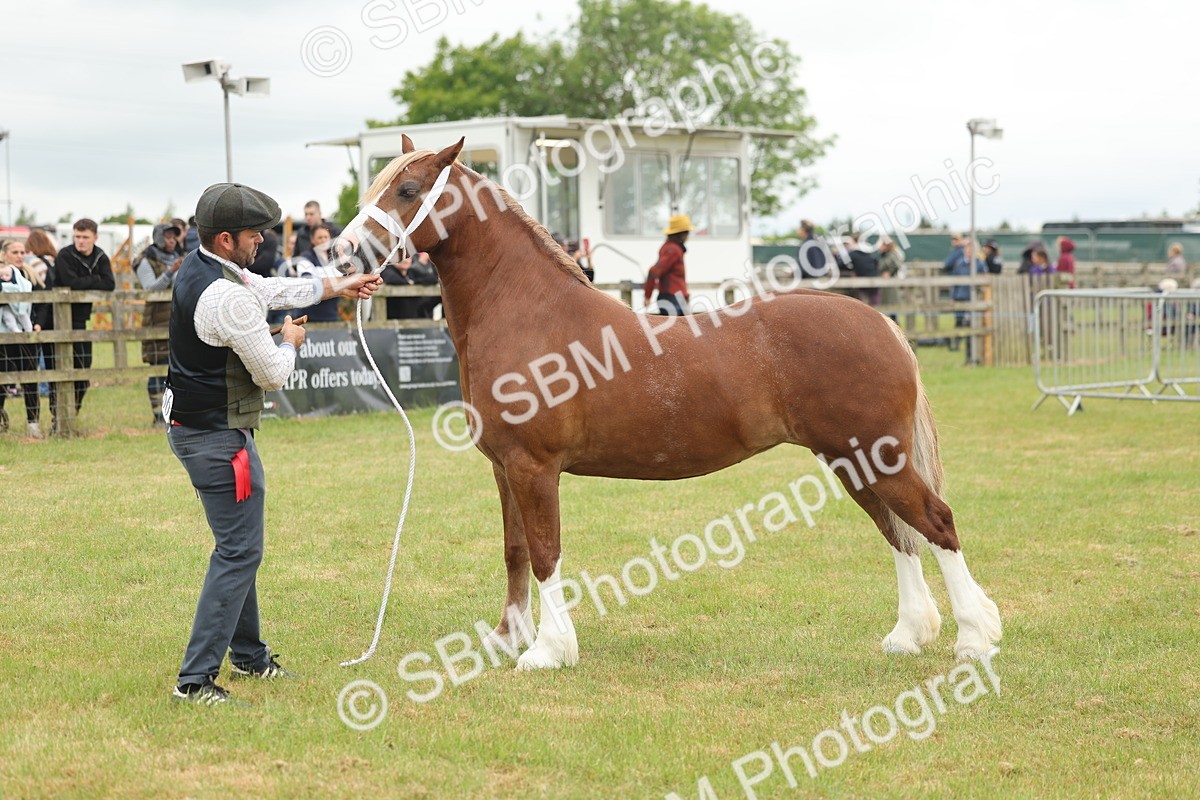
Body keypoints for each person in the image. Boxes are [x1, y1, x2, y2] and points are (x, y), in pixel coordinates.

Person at [165, 182, 381, 705]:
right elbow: (272, 375)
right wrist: (290, 342)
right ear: (224, 239)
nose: (262, 238)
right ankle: (194, 682)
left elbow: (268, 289)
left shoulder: (207, 269)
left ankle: (249, 657)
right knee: (239, 552)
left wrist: (335, 285)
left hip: (200, 429)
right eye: (252, 233)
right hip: (219, 440)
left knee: (237, 548)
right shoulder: (228, 297)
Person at [54, 218, 114, 418]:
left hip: (81, 320)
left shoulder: (100, 257)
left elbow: (109, 284)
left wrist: (88, 282)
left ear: (95, 237)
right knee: (60, 369)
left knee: (83, 367)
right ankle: (59, 416)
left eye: (85, 237)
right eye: (77, 236)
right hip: (57, 319)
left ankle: (74, 411)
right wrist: (95, 280)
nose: (80, 241)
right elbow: (70, 282)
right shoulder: (65, 255)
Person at [136, 222, 184, 428]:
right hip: (156, 321)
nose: (172, 240)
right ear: (158, 238)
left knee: (175, 370)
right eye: (168, 237)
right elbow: (150, 289)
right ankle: (157, 416)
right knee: (157, 367)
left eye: (174, 237)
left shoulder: (178, 258)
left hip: (177, 321)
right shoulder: (146, 261)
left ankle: (172, 413)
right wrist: (169, 273)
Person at [0, 239, 43, 436]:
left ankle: (33, 422)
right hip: (5, 334)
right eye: (15, 252)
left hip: (27, 333)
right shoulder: (2, 274)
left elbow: (44, 300)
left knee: (30, 378)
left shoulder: (30, 276)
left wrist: (38, 323)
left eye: (22, 252)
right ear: (4, 254)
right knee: (2, 377)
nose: (19, 256)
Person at [645, 214, 694, 315]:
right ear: (682, 234)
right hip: (673, 298)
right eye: (687, 232)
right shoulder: (673, 250)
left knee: (683, 329)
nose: (688, 235)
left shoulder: (669, 247)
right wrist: (647, 296)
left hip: (675, 298)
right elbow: (653, 271)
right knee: (681, 329)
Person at [292, 224, 341, 322]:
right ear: (312, 240)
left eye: (326, 237)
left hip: (331, 315)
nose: (323, 240)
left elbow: (343, 279)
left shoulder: (336, 259)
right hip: (306, 317)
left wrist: (319, 274)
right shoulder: (304, 257)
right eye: (319, 237)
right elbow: (308, 281)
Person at [381, 252, 440, 319]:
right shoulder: (388, 270)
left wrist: (415, 282)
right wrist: (408, 283)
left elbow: (433, 279)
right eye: (401, 258)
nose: (405, 261)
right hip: (393, 318)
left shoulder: (411, 272)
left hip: (412, 317)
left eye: (408, 258)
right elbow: (391, 278)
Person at [877, 237, 906, 315]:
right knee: (886, 304)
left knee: (892, 303)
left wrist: (889, 272)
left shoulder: (891, 254)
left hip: (891, 282)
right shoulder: (884, 255)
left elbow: (896, 265)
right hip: (885, 283)